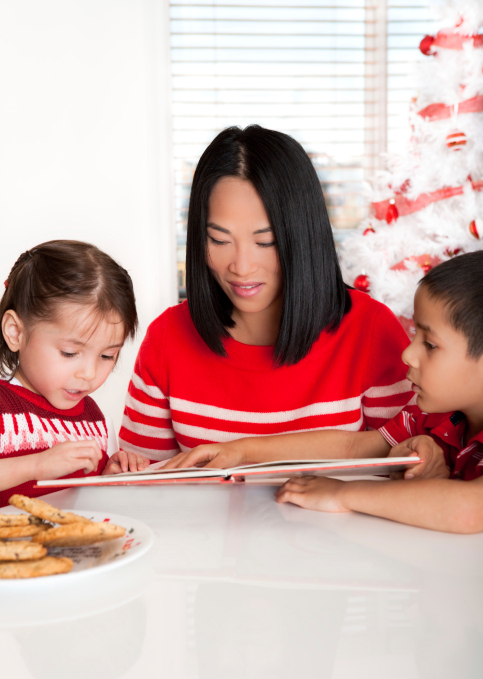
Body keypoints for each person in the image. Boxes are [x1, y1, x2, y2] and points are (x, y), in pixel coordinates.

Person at [119, 125, 414, 462]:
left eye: (266, 242)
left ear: (303, 235)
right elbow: (142, 489)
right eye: (219, 240)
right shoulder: (168, 338)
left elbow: (410, 464)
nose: (242, 267)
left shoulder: (370, 330)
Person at [168, 252, 483, 534]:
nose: (407, 355)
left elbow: (471, 510)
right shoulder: (430, 418)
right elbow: (351, 447)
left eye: (430, 345)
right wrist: (242, 452)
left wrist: (341, 494)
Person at [0, 240, 148, 507]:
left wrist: (109, 476)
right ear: (16, 332)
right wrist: (36, 465)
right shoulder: (3, 408)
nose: (89, 373)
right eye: (69, 353)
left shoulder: (93, 419)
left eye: (107, 356)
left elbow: (88, 503)